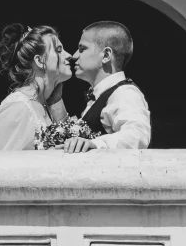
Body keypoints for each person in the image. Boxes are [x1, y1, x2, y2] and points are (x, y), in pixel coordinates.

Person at [62, 20, 151, 153]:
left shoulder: (125, 93)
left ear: (106, 55)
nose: (74, 56)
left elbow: (137, 134)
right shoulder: (104, 94)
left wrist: (96, 144)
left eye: (82, 49)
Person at [0, 23, 73, 150]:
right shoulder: (17, 107)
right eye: (58, 50)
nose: (69, 56)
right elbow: (1, 164)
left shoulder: (45, 104)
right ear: (39, 61)